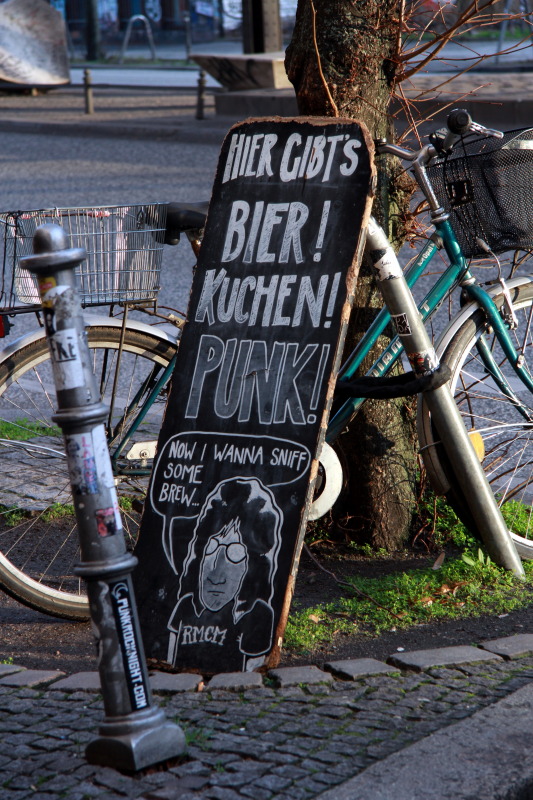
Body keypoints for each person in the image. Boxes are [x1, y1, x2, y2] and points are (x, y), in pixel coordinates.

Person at [166, 476, 282, 671]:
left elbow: (252, 673)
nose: (216, 575)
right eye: (211, 548)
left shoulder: (257, 615)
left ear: (254, 565)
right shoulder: (186, 605)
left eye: (235, 553)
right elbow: (168, 659)